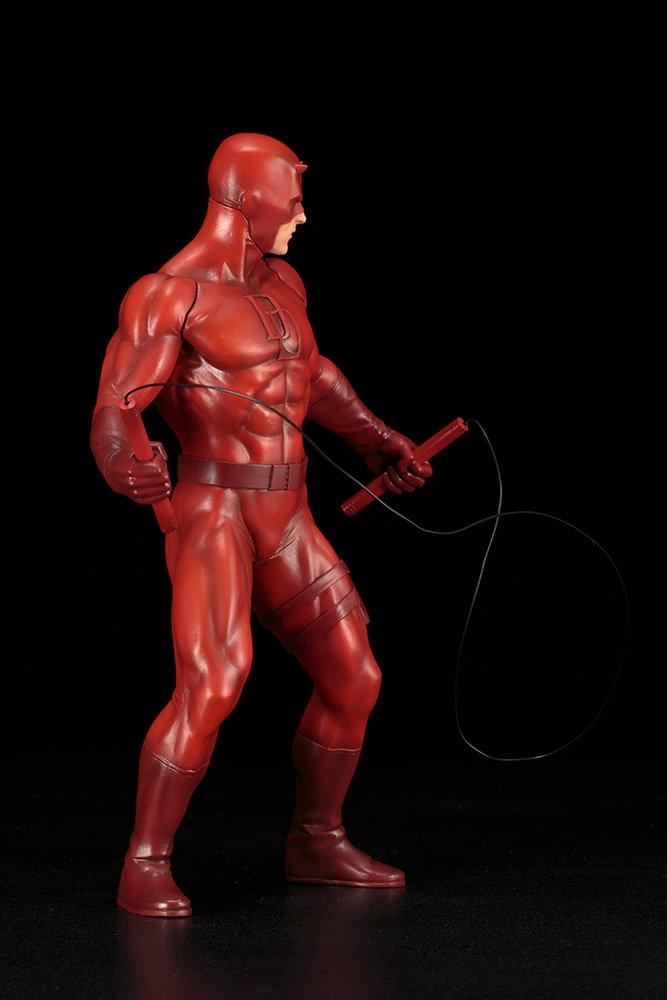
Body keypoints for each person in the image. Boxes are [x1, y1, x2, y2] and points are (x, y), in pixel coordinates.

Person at [91, 133, 434, 917]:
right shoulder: (168, 295)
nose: (302, 215)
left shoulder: (283, 282)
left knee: (355, 676)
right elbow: (116, 406)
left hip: (288, 513)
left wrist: (377, 437)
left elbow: (310, 376)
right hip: (213, 514)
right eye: (293, 200)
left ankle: (316, 840)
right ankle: (144, 863)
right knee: (214, 682)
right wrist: (122, 461)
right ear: (245, 200)